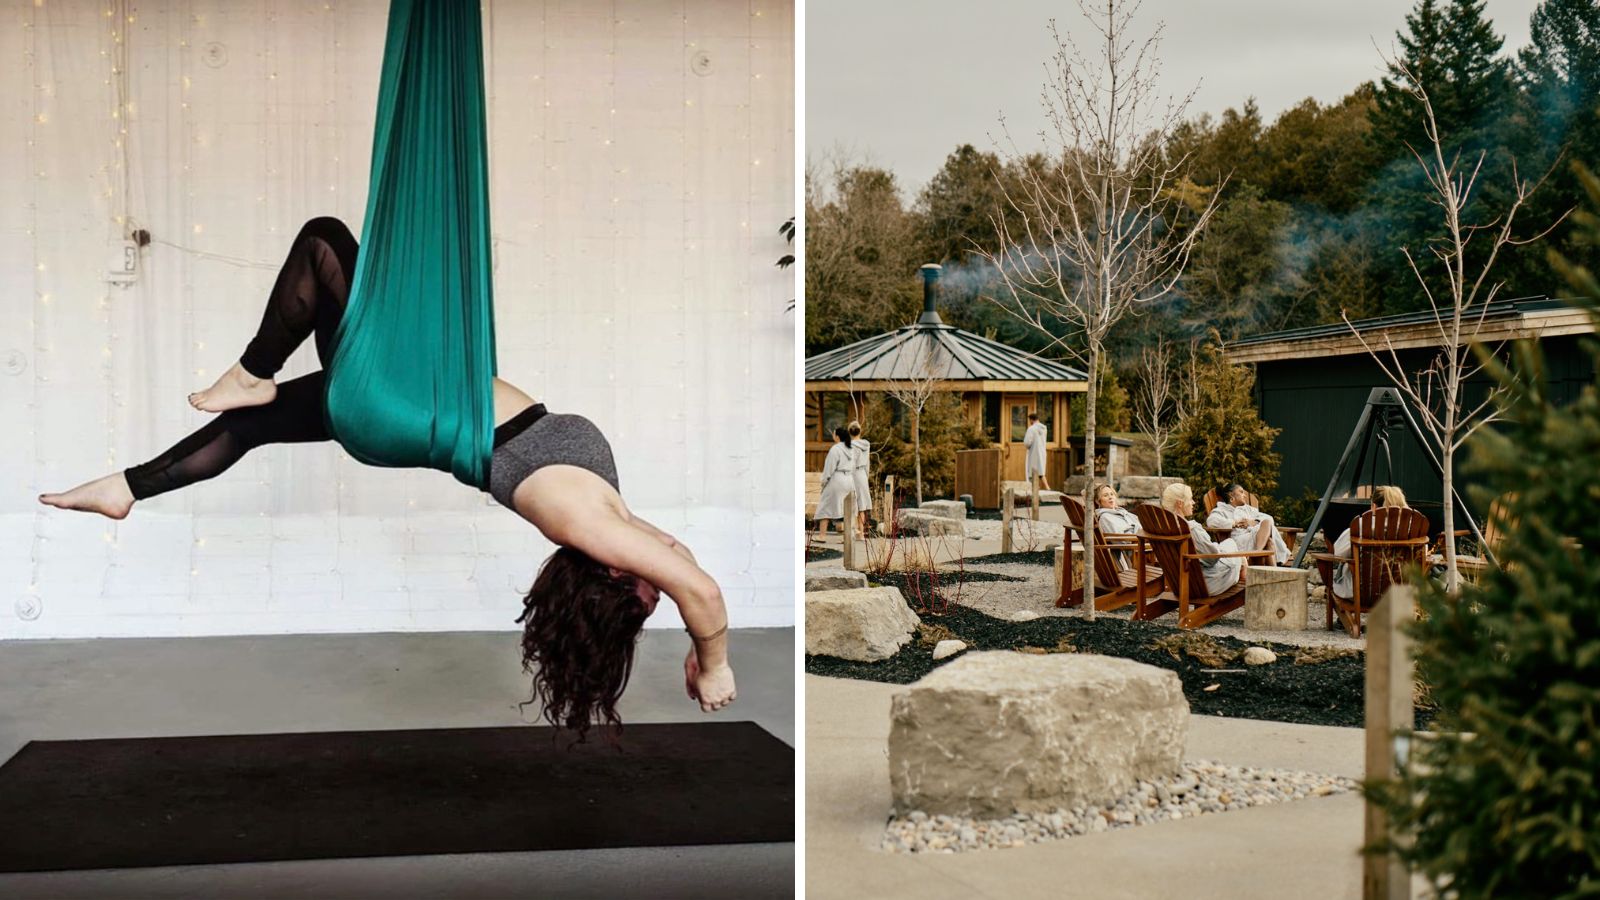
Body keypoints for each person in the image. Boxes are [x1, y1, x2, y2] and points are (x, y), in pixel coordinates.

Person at [36, 216, 736, 738]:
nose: (662, 584)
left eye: (648, 598)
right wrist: (691, 643)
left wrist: (715, 666)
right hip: (408, 406)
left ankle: (252, 368)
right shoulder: (612, 526)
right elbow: (684, 568)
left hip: (397, 409)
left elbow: (696, 589)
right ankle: (126, 489)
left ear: (614, 576)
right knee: (252, 425)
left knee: (324, 248)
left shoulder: (586, 526)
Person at [1161, 482, 1273, 595]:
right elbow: (1211, 558)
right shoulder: (1192, 528)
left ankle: (1251, 582)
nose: (1193, 503)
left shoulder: (1164, 527)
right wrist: (1229, 550)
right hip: (1206, 584)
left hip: (1180, 582)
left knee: (1231, 546)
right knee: (1235, 550)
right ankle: (1252, 592)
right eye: (1190, 499)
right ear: (1180, 503)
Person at [1329, 485, 1409, 602]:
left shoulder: (1361, 525)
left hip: (1361, 592)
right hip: (1400, 593)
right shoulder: (1410, 527)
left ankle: (1345, 620)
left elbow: (1338, 553)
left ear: (1374, 506)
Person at [1205, 482, 1291, 565]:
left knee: (1268, 532)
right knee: (1269, 541)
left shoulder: (1248, 509)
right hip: (1238, 542)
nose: (1245, 495)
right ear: (1231, 495)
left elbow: (1269, 519)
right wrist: (1234, 523)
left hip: (1254, 539)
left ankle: (1258, 553)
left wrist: (1253, 522)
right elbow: (1211, 521)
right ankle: (1260, 556)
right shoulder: (1221, 509)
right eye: (1241, 492)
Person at [814, 426, 855, 536]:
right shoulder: (851, 449)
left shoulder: (835, 449)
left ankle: (822, 536)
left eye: (833, 434)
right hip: (849, 480)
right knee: (845, 508)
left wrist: (823, 482)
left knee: (825, 505)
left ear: (837, 437)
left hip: (837, 479)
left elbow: (829, 469)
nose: (833, 436)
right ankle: (846, 538)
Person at [848, 420, 871, 536]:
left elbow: (851, 464)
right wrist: (866, 475)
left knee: (851, 503)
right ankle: (861, 533)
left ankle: (852, 532)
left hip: (853, 475)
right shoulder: (866, 445)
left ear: (849, 432)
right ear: (860, 431)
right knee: (862, 505)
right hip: (862, 474)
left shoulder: (850, 446)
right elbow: (867, 462)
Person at [1023, 411, 1049, 497]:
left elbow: (1027, 442)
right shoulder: (1044, 429)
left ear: (1031, 420)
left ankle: (1036, 491)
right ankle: (1047, 488)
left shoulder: (1031, 429)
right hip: (1041, 452)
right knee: (1041, 472)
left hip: (1034, 452)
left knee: (1032, 473)